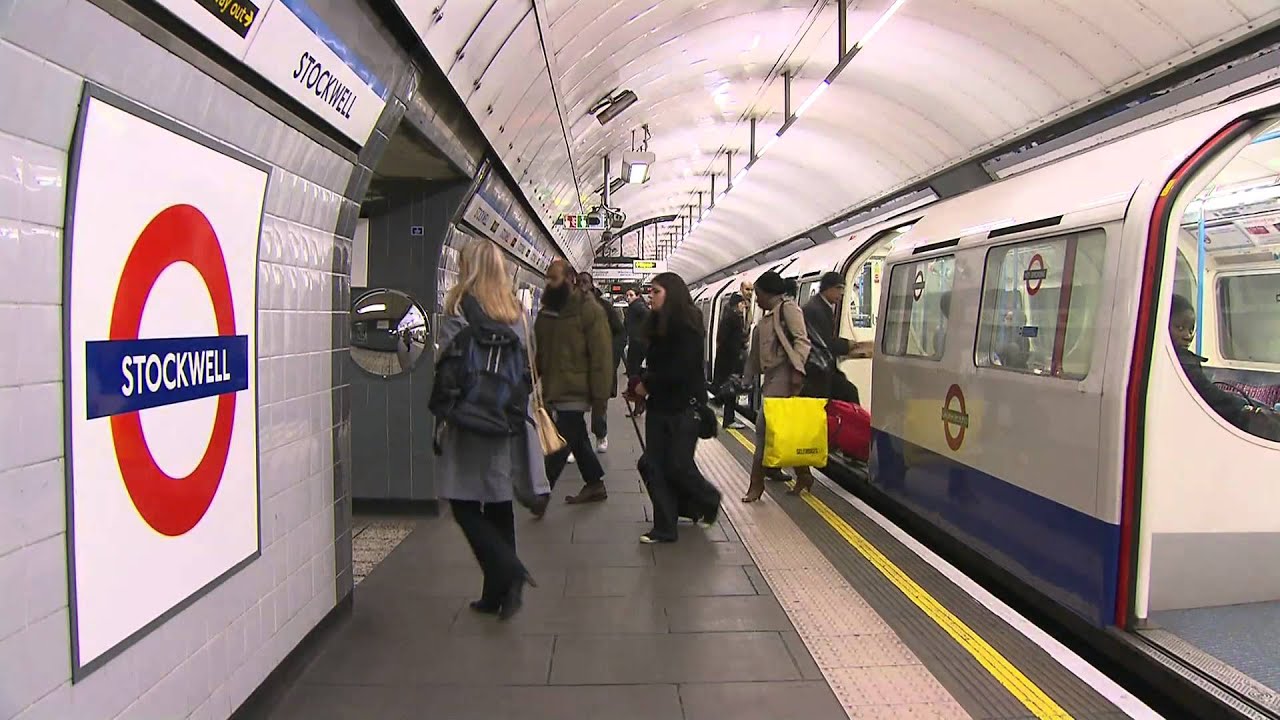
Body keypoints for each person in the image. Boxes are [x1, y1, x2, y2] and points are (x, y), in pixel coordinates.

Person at [436, 239, 543, 620]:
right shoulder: (517, 312)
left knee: (463, 503)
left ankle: (509, 572)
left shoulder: (457, 308)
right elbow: (528, 366)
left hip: (469, 420)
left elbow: (447, 363)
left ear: (467, 267)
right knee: (498, 503)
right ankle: (499, 593)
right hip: (506, 419)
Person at [629, 272, 723, 543]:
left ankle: (707, 499)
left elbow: (680, 370)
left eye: (656, 291)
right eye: (650, 291)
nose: (651, 296)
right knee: (654, 465)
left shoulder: (686, 327)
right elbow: (658, 365)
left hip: (683, 408)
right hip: (660, 406)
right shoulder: (657, 324)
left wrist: (647, 384)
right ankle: (666, 526)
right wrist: (641, 383)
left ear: (672, 293)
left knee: (678, 465)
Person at [535, 259, 614, 503]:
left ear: (570, 279)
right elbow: (541, 352)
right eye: (547, 279)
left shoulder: (589, 310)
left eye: (554, 278)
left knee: (564, 438)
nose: (550, 283)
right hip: (554, 388)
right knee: (576, 436)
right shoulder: (546, 313)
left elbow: (601, 357)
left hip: (576, 389)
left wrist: (600, 400)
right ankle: (594, 483)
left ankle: (540, 493)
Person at [742, 270, 813, 502]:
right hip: (772, 379)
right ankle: (804, 475)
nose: (756, 299)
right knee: (785, 431)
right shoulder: (766, 319)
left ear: (767, 293)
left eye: (758, 294)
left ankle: (756, 484)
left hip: (786, 378)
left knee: (764, 431)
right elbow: (755, 356)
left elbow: (802, 341)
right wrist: (746, 379)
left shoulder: (788, 309)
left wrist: (797, 371)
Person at [1168, 293, 1275, 432]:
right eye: (1180, 328)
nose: (1188, 336)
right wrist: (1244, 409)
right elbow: (1211, 396)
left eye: (1191, 329)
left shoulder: (1185, 360)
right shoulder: (1182, 364)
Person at [578, 271, 626, 453]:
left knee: (599, 404)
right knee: (575, 406)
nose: (582, 286)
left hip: (600, 365)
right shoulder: (570, 307)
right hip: (578, 366)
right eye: (579, 283)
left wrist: (612, 356)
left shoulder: (605, 307)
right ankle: (575, 443)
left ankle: (601, 434)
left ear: (592, 285)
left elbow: (620, 333)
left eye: (585, 282)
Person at [803, 272, 867, 404]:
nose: (841, 293)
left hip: (821, 368)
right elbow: (824, 342)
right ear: (828, 288)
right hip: (818, 369)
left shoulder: (820, 306)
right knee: (849, 393)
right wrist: (847, 345)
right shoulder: (816, 310)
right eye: (839, 288)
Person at [713, 293, 748, 428]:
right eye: (742, 303)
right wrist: (742, 345)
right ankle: (727, 416)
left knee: (730, 388)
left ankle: (720, 405)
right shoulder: (734, 318)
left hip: (726, 359)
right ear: (737, 304)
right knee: (731, 389)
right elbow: (733, 339)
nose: (744, 306)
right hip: (731, 360)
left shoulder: (728, 316)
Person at [623, 286, 650, 378]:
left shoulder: (637, 306)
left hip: (638, 341)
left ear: (638, 296)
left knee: (633, 369)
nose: (628, 298)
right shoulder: (635, 306)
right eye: (627, 295)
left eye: (631, 295)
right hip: (638, 340)